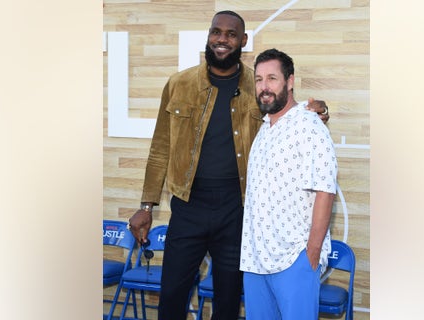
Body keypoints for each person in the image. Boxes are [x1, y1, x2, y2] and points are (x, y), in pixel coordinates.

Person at [127, 11, 330, 320]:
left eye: (231, 34)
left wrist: (316, 110)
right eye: (216, 32)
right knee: (171, 294)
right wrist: (146, 204)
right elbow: (160, 148)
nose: (222, 39)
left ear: (243, 41)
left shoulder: (258, 84)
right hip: (187, 204)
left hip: (237, 209)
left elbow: (287, 112)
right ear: (208, 36)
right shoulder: (178, 84)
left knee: (228, 297)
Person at [239, 48, 338, 320]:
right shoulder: (264, 127)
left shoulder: (309, 125)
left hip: (294, 259)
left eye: (272, 78)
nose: (264, 87)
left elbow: (325, 191)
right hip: (255, 258)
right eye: (258, 80)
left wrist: (311, 255)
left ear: (290, 81)